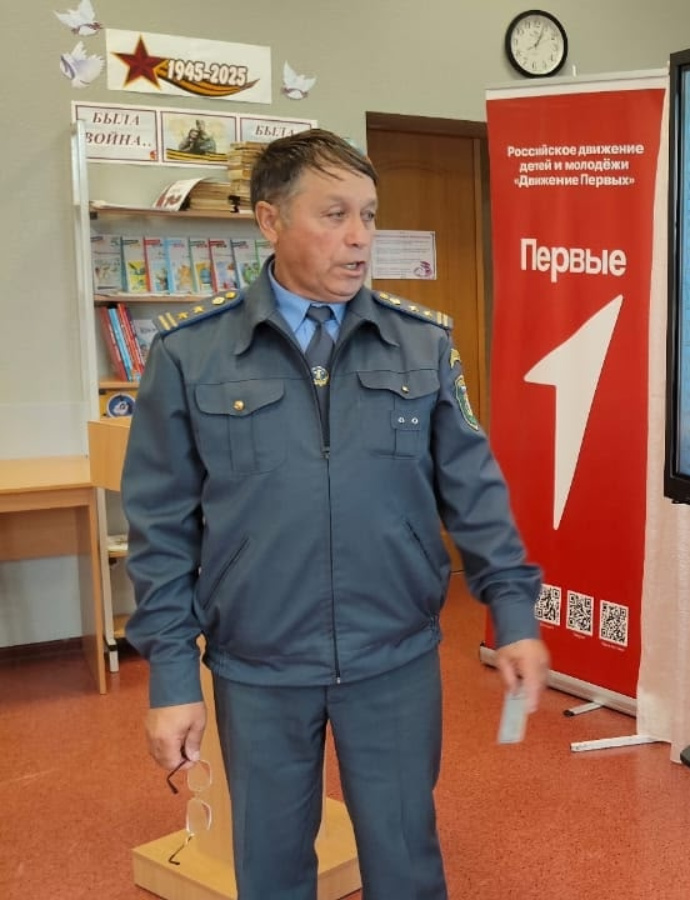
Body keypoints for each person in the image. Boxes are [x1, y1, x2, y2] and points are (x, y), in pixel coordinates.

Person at [122, 128, 550, 900]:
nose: (360, 237)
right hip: (259, 665)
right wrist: (173, 679)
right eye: (335, 214)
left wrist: (513, 613)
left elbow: (474, 490)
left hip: (393, 655)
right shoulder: (191, 354)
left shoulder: (421, 344)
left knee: (406, 859)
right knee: (271, 868)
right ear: (270, 220)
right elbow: (160, 529)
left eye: (369, 214)